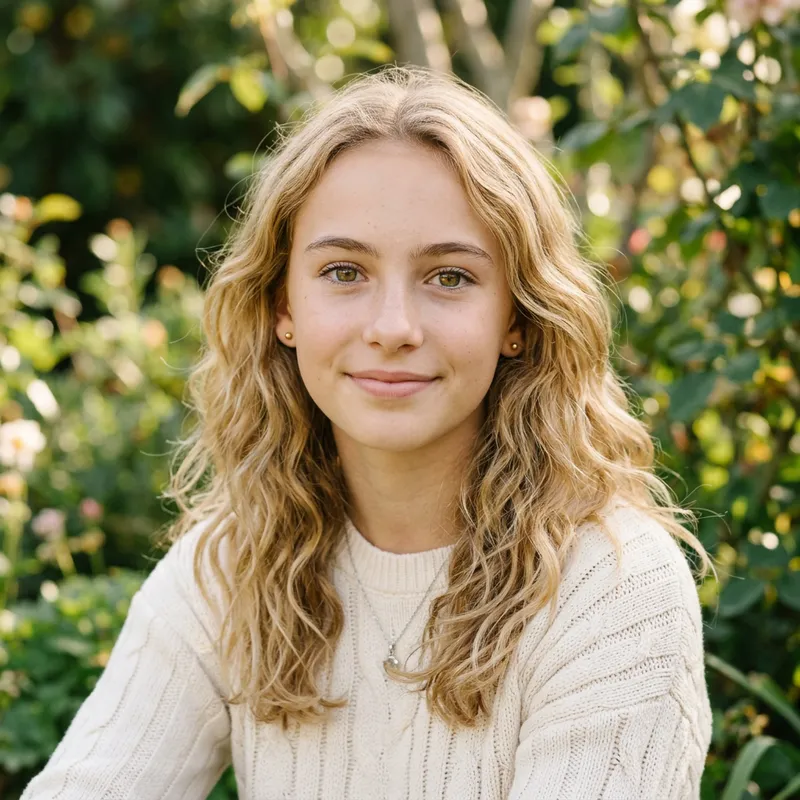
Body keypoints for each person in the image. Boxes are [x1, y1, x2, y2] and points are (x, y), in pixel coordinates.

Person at [21, 64, 716, 800]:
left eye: (449, 277)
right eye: (345, 271)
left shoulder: (611, 589)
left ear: (516, 316)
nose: (393, 329)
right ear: (281, 305)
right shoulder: (231, 566)